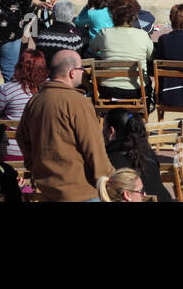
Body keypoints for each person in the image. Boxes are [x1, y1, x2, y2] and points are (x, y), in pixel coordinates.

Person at [17, 49, 113, 202]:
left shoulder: (36, 100)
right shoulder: (77, 102)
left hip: (48, 187)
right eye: (82, 69)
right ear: (72, 72)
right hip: (81, 190)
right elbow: (93, 148)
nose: (83, 73)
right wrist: (110, 176)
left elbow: (21, 137)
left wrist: (33, 164)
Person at [89, 0, 154, 101]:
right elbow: (151, 56)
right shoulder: (142, 35)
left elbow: (92, 47)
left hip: (108, 90)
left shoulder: (104, 33)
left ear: (112, 14)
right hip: (137, 90)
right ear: (134, 16)